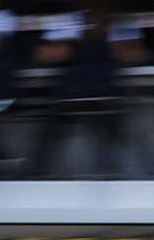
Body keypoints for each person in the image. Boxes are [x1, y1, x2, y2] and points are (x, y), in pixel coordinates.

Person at [31, 3, 146, 177]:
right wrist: (75, 41)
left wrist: (109, 38)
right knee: (48, 131)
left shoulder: (121, 22)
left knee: (120, 130)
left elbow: (137, 55)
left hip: (108, 94)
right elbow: (42, 55)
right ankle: (38, 176)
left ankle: (122, 176)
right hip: (69, 96)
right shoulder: (66, 20)